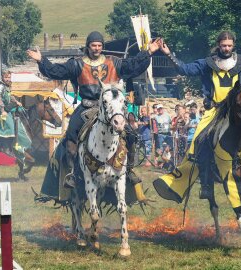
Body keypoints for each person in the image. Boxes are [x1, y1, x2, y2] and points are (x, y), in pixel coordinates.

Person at [156, 20, 241, 201]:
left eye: (229, 45)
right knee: (199, 141)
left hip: (236, 112)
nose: (226, 48)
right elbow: (185, 69)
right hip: (214, 111)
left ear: (233, 45)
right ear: (218, 45)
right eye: (223, 45)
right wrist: (169, 54)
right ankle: (205, 183)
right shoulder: (208, 63)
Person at [27, 31, 161, 198]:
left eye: (99, 46)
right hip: (86, 107)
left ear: (102, 47)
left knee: (131, 134)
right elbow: (57, 71)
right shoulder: (76, 65)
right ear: (88, 47)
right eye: (93, 45)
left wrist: (147, 52)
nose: (96, 48)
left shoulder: (114, 62)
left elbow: (132, 66)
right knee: (71, 137)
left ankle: (129, 170)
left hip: (110, 108)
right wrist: (41, 60)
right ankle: (73, 174)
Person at [0, 70, 23, 156]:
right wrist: (2, 111)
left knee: (13, 123)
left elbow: (10, 96)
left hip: (6, 109)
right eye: (6, 77)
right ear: (2, 77)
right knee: (9, 126)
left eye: (9, 77)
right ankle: (5, 148)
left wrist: (16, 102)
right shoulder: (0, 86)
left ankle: (9, 147)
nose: (7, 79)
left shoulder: (7, 86)